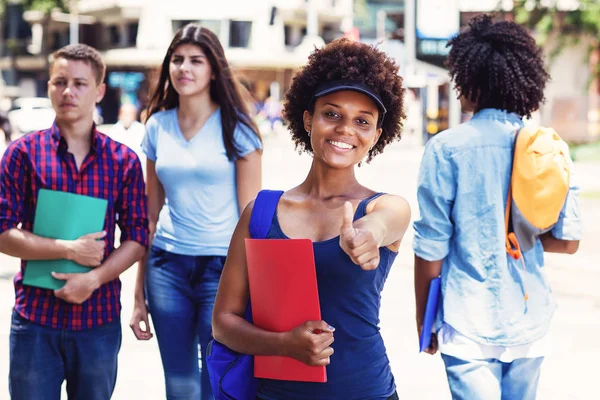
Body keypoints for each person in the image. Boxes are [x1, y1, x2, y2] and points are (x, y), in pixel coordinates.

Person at [212, 38, 411, 400]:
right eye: (332, 114)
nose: (345, 129)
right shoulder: (260, 212)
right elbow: (223, 323)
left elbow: (381, 225)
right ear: (308, 119)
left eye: (362, 121)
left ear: (376, 136)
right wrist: (283, 344)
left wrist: (367, 236)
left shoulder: (386, 207)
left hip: (366, 391)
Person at [413, 14, 582, 400]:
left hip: (465, 323)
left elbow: (430, 250)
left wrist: (426, 323)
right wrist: (519, 235)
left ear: (472, 80)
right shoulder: (550, 147)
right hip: (529, 320)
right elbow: (568, 241)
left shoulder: (446, 148)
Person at [0, 44, 148, 399]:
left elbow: (138, 238)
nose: (68, 91)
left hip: (97, 320)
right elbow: (2, 232)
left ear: (99, 91)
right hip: (35, 319)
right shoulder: (22, 154)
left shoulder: (122, 161)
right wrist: (68, 249)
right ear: (49, 86)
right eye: (60, 81)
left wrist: (92, 279)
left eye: (80, 84)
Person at [129, 24, 262, 400]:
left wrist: (251, 289)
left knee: (217, 379)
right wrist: (138, 294)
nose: (184, 68)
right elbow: (149, 216)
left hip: (222, 271)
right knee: (179, 382)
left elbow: (251, 218)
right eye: (177, 59)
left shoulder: (238, 129)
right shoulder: (156, 125)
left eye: (195, 60)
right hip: (165, 268)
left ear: (214, 69)